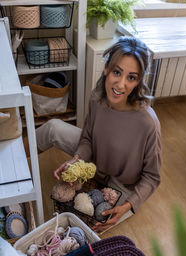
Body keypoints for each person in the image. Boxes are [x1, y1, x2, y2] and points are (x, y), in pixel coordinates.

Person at [35, 36, 162, 233]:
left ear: (138, 81)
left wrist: (129, 205)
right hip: (94, 159)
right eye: (117, 72)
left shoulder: (147, 122)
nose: (120, 85)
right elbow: (87, 138)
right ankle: (12, 161)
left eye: (131, 77)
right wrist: (76, 160)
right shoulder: (97, 97)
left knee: (90, 224)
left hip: (122, 182)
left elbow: (152, 177)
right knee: (52, 127)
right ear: (107, 69)